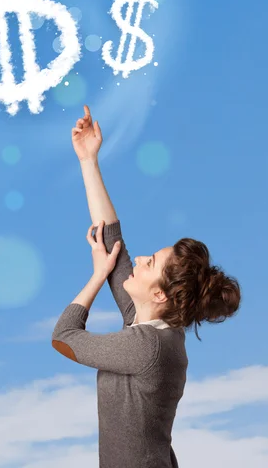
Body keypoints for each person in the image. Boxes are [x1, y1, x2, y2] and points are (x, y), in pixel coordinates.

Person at [51, 104, 241, 468]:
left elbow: (64, 336)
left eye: (149, 263)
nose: (137, 261)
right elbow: (113, 241)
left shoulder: (147, 346)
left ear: (159, 294)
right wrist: (88, 159)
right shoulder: (148, 323)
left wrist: (96, 275)